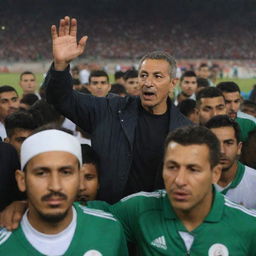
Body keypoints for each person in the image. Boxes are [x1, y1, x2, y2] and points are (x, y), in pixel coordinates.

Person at [45, 16, 191, 203]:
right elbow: (60, 98)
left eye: (157, 76)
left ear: (172, 84)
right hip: (110, 215)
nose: (148, 82)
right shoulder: (108, 110)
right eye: (144, 75)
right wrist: (60, 65)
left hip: (156, 222)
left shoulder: (184, 130)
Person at [110, 126, 256, 255]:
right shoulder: (140, 209)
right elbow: (93, 219)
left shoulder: (248, 226)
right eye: (172, 167)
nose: (179, 180)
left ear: (215, 174)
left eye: (193, 169)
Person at [0, 129, 128, 255]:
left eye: (66, 172)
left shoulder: (109, 230)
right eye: (41, 173)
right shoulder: (3, 243)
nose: (55, 186)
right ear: (22, 180)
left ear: (79, 177)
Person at [205, 115, 256, 209]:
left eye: (228, 143)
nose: (222, 151)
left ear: (239, 148)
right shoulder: (194, 180)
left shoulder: (254, 181)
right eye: (214, 143)